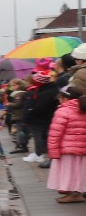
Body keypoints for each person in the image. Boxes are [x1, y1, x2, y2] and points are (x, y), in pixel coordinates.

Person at [47, 70, 86, 203]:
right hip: (82, 149)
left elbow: (55, 133)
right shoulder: (83, 109)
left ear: (65, 98)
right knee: (80, 172)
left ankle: (73, 194)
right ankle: (77, 192)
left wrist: (53, 151)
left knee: (69, 172)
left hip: (67, 149)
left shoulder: (63, 111)